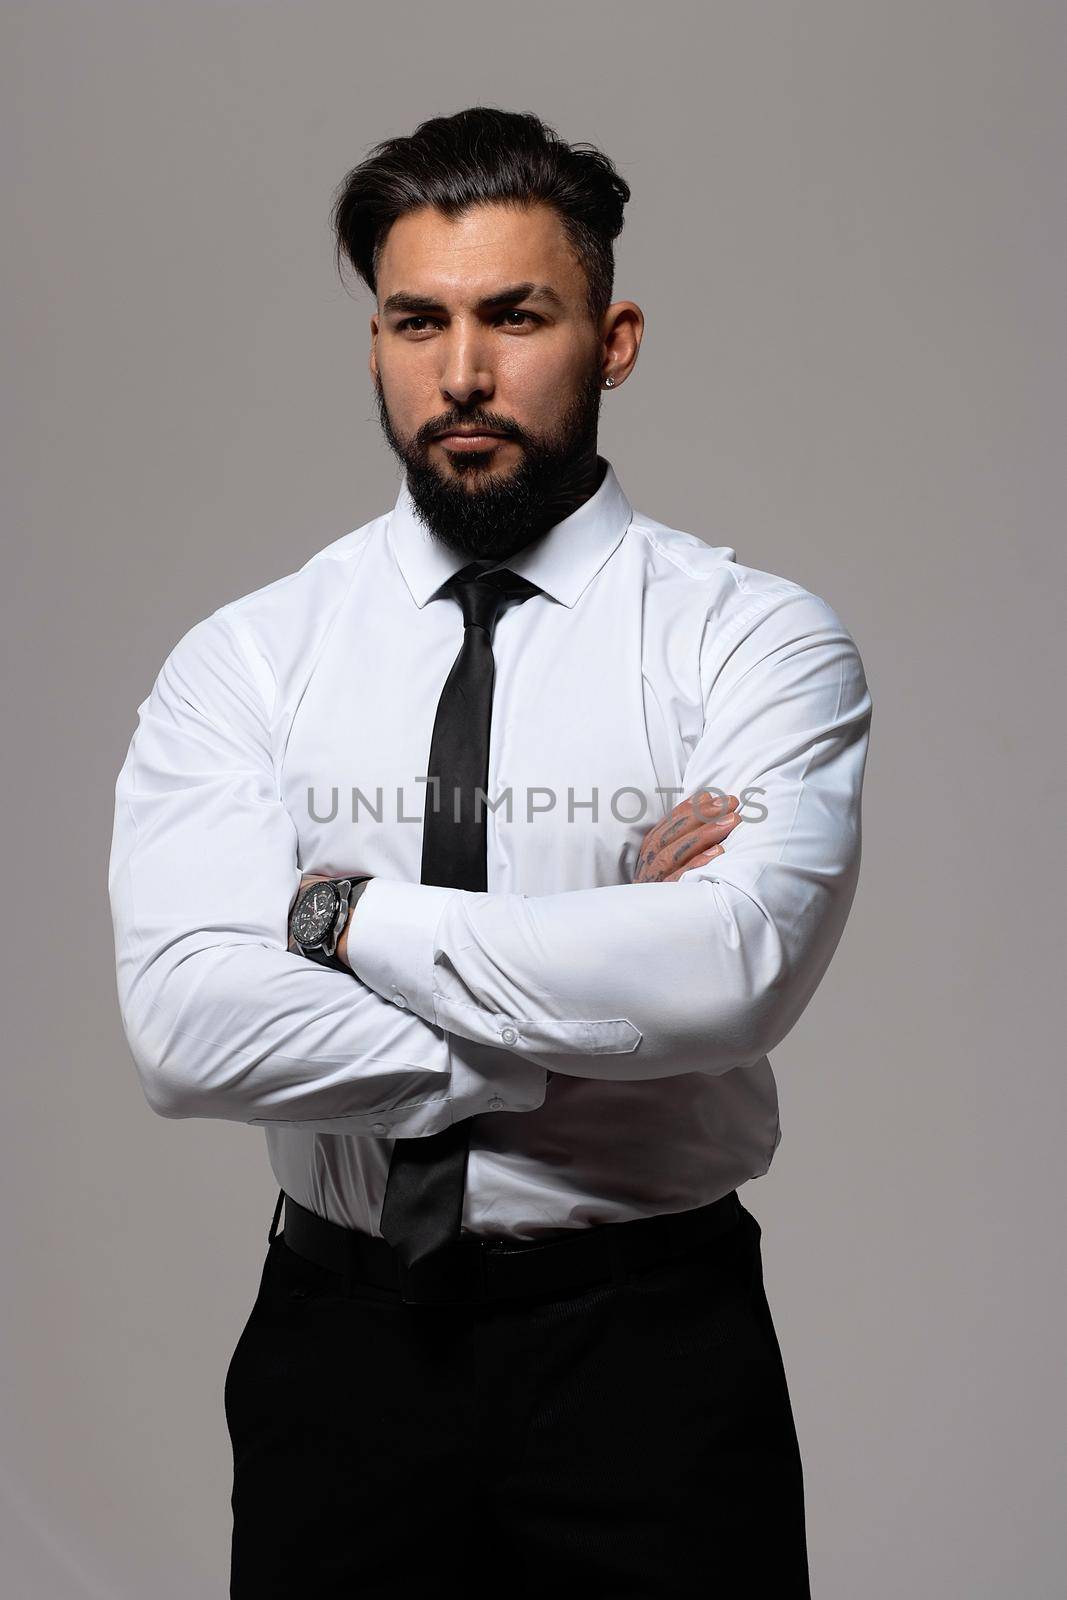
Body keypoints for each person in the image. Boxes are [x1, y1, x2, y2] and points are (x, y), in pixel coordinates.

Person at [108, 105, 872, 1599]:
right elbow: (188, 1032)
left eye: (515, 316)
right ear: (378, 341)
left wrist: (333, 914)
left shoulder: (753, 643)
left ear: (614, 335)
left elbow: (726, 979)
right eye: (417, 321)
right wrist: (585, 993)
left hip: (649, 1353)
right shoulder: (251, 660)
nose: (461, 373)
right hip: (340, 1349)